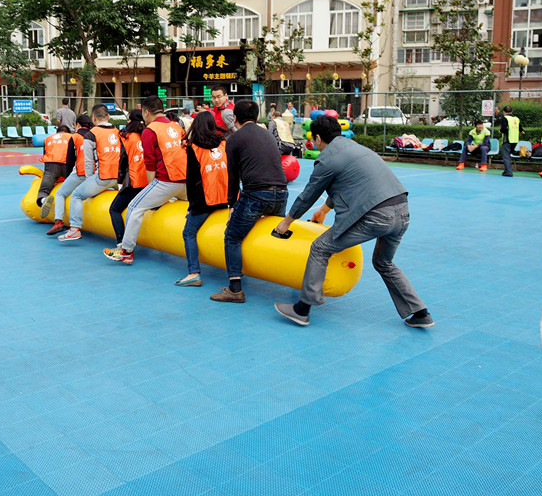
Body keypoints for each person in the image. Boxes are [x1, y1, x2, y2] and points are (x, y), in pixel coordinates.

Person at [272, 115, 432, 328]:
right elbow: (348, 182)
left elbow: (309, 194)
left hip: (375, 215)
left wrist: (286, 222)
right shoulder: (356, 148)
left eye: (312, 138)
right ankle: (420, 313)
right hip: (402, 211)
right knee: (384, 262)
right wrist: (324, 209)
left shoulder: (327, 158)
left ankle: (303, 309)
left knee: (320, 247)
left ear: (318, 138)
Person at [211, 100, 288, 303]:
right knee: (271, 235)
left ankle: (235, 289)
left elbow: (233, 177)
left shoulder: (234, 139)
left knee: (232, 236)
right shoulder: (267, 134)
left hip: (256, 195)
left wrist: (231, 206)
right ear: (256, 117)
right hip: (281, 193)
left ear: (235, 118)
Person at [104, 96, 188, 265]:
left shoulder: (150, 131)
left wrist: (150, 189)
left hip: (166, 182)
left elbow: (150, 164)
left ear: (146, 112)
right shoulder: (177, 126)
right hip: (186, 183)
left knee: (134, 207)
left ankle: (126, 251)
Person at [176, 111, 229, 287]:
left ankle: (193, 272)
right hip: (225, 198)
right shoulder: (223, 143)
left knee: (188, 232)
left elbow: (192, 180)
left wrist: (192, 207)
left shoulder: (194, 148)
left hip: (205, 200)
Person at [58, 105, 120, 242]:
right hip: (118, 178)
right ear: (108, 116)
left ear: (94, 118)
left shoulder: (91, 135)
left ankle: (74, 228)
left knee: (76, 195)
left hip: (103, 177)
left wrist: (89, 182)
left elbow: (88, 162)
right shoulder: (118, 132)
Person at [46, 114, 93, 235]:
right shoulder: (94, 135)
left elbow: (70, 160)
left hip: (81, 172)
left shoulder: (75, 137)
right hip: (96, 173)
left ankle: (58, 221)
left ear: (78, 125)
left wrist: (67, 177)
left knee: (60, 193)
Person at [108, 110, 148, 248]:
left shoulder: (126, 136)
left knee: (114, 209)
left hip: (134, 181)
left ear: (130, 121)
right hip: (150, 181)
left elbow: (123, 160)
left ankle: (121, 242)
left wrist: (120, 181)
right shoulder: (148, 134)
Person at [36, 126, 75, 208]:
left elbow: (45, 154)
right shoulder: (72, 137)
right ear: (68, 132)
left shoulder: (48, 138)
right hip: (67, 165)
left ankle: (43, 200)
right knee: (77, 185)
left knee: (44, 190)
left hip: (51, 166)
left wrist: (47, 173)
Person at [499, 105, 524, 177]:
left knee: (506, 156)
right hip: (515, 140)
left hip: (507, 139)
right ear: (512, 111)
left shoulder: (505, 118)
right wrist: (522, 131)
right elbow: (520, 127)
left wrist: (500, 131)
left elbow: (504, 129)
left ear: (504, 112)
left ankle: (509, 172)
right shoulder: (516, 118)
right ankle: (506, 170)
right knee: (508, 156)